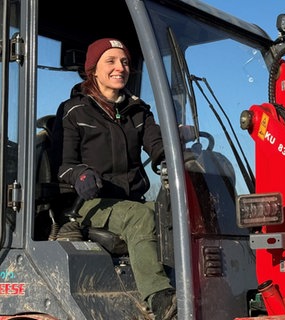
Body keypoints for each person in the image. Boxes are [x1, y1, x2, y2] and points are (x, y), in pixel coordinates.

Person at [50, 38, 177, 320]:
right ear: (93, 69)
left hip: (128, 200)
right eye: (111, 61)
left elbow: (156, 144)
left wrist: (172, 157)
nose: (120, 67)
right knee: (140, 218)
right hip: (86, 202)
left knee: (171, 213)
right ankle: (159, 297)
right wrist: (80, 174)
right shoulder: (73, 110)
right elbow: (62, 165)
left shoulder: (138, 111)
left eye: (125, 62)